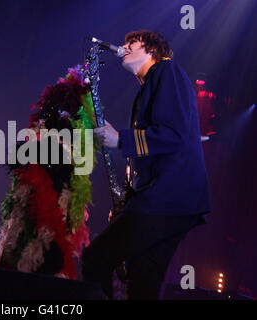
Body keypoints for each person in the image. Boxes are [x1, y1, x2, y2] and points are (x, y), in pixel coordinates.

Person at [81, 30, 211, 299]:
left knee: (96, 258)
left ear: (152, 51)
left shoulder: (166, 71)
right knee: (143, 284)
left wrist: (120, 139)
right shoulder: (149, 86)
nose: (124, 47)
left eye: (132, 43)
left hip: (168, 198)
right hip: (177, 204)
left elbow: (173, 135)